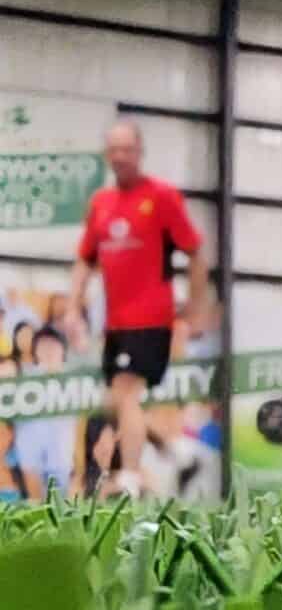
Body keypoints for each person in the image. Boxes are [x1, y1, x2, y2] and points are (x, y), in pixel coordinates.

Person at [66, 119, 208, 497]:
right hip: (115, 325)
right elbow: (85, 259)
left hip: (151, 319)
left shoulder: (161, 197)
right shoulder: (101, 204)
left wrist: (195, 309)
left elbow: (195, 252)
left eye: (127, 149)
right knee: (114, 403)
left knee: (126, 394)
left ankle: (128, 478)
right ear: (106, 155)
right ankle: (179, 452)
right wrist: (72, 307)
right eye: (113, 150)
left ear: (139, 152)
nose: (120, 157)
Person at [15, 325, 76, 497]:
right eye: (43, 345)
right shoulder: (22, 380)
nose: (49, 350)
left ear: (63, 350)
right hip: (30, 455)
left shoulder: (74, 381)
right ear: (35, 351)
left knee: (62, 506)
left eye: (53, 345)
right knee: (35, 506)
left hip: (63, 456)